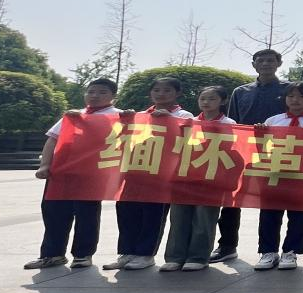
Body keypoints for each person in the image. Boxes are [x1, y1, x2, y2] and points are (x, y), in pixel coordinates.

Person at [24, 78, 119, 270]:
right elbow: (52, 140)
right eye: (91, 92)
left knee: (87, 215)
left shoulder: (117, 116)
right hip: (62, 173)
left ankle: (83, 255)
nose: (95, 96)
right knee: (54, 213)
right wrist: (45, 165)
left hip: (91, 175)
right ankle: (52, 254)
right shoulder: (73, 115)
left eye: (102, 92)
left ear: (113, 97)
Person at [104, 77, 194, 271]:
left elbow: (188, 138)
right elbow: (123, 138)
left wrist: (169, 120)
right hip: (136, 169)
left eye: (167, 90)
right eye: (157, 90)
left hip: (162, 173)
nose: (161, 94)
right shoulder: (142, 115)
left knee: (153, 213)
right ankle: (126, 252)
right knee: (127, 210)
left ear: (177, 93)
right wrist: (127, 120)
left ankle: (146, 254)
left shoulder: (184, 114)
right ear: (150, 93)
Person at [209, 49, 288, 264]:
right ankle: (227, 245)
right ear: (253, 65)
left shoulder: (289, 90)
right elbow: (233, 121)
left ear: (279, 63)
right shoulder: (241, 91)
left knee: (272, 201)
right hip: (245, 150)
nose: (265, 64)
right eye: (260, 61)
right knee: (232, 199)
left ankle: (270, 250)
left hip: (277, 151)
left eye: (270, 60)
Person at [254, 82, 303, 271]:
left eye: (301, 96)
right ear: (285, 99)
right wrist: (259, 135)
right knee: (270, 212)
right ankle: (268, 252)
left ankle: (291, 252)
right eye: (291, 96)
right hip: (275, 171)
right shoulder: (273, 121)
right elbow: (262, 149)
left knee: (299, 214)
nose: (295, 100)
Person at [160, 86, 235, 272]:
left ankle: (198, 257)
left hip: (211, 177)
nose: (206, 102)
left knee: (204, 218)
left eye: (212, 99)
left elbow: (228, 147)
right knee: (179, 217)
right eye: (203, 98)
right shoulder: (188, 122)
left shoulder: (228, 122)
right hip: (185, 175)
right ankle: (175, 257)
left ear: (223, 101)